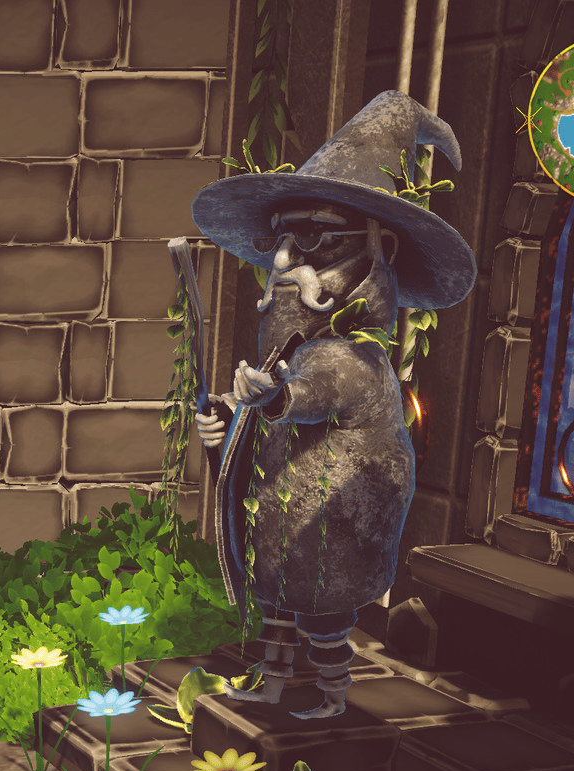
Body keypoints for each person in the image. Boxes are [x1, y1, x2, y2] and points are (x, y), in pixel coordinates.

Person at [189, 91, 477, 719]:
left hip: (328, 536)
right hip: (283, 530)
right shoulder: (296, 349)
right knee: (278, 607)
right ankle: (272, 680)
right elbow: (276, 405)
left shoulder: (355, 361)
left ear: (380, 251)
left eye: (314, 238)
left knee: (323, 617)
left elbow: (311, 395)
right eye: (281, 239)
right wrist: (229, 422)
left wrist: (273, 398)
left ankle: (331, 693)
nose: (285, 262)